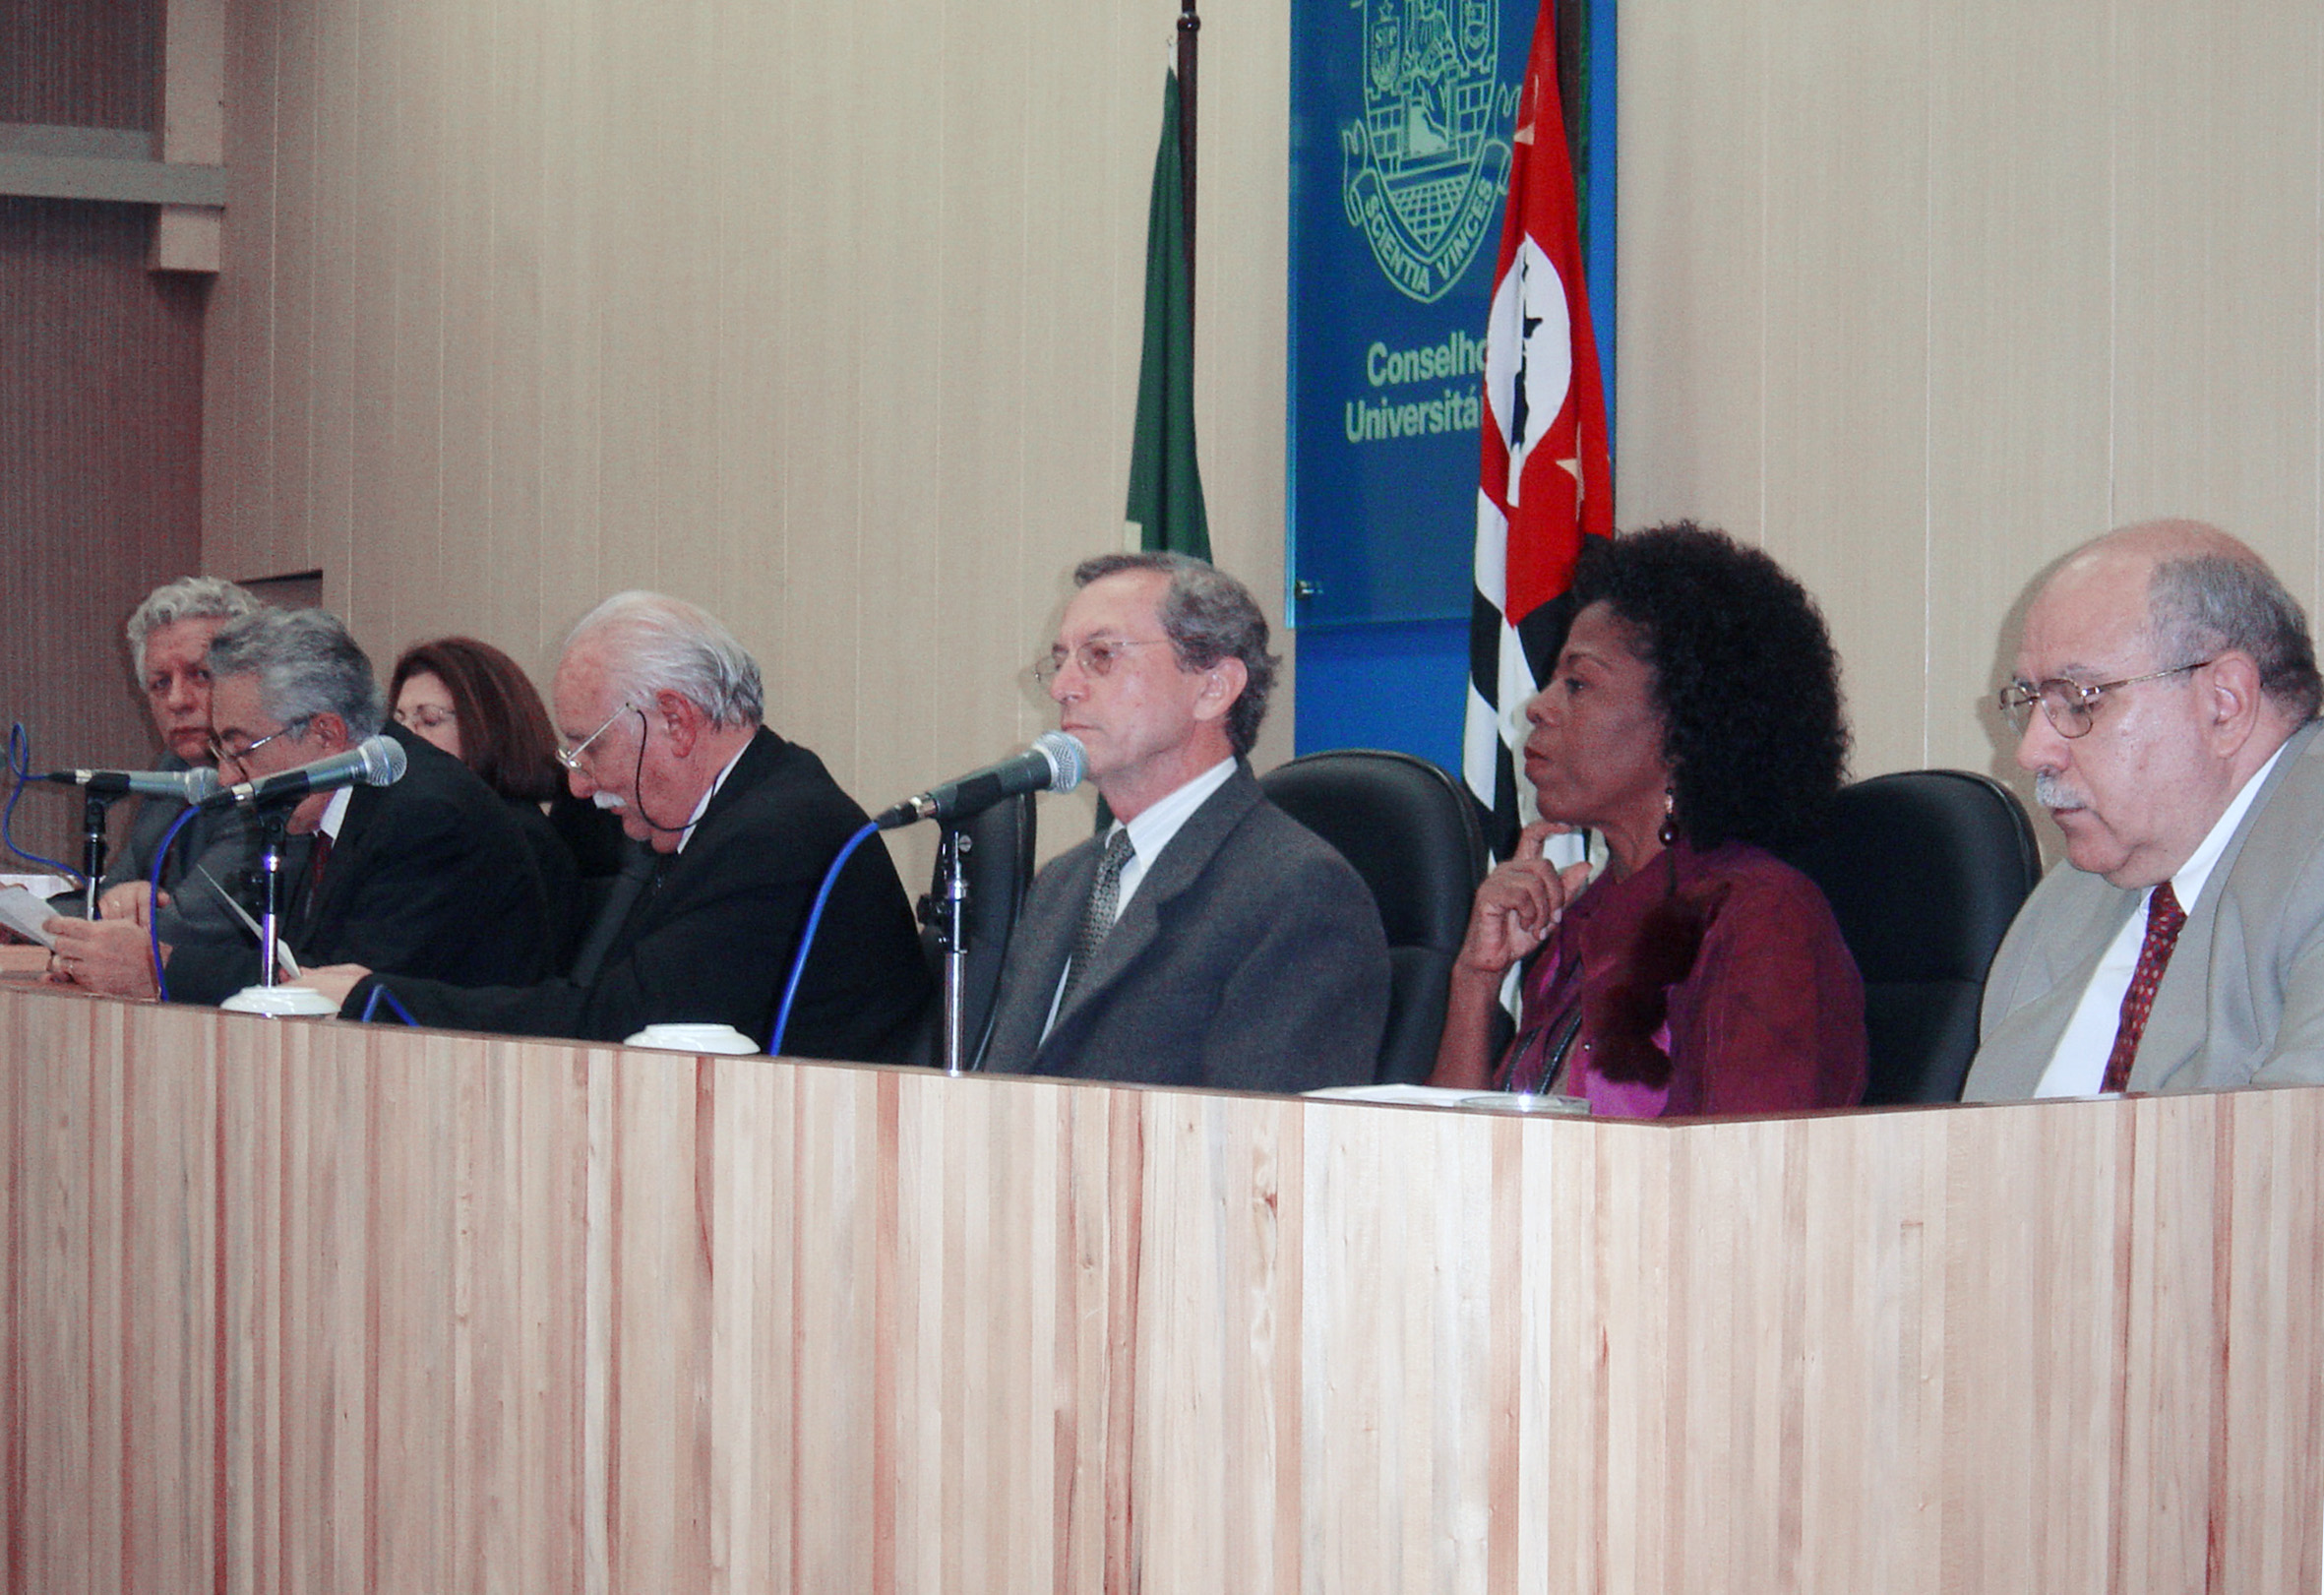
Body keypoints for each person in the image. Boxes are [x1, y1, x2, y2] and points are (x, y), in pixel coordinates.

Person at [301, 592, 933, 1062]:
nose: (577, 784)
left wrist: (374, 996)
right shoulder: (749, 809)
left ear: (677, 722)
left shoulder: (774, 835)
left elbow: (618, 1028)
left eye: (588, 747)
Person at [1427, 523, 1866, 1116]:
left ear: (1682, 723)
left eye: (1577, 684)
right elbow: (1437, 1162)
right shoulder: (1580, 916)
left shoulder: (1760, 918)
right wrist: (1476, 980)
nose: (1538, 707)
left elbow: (1751, 1183)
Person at [980, 552, 1390, 1092]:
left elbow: (1267, 1151)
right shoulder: (1062, 883)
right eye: (1061, 661)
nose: (1062, 688)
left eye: (1100, 655)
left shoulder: (1298, 892)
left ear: (1212, 688)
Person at [1965, 521, 2324, 1098]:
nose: (2032, 752)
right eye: (2032, 701)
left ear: (2225, 704)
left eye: (2080, 700)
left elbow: (2298, 1168)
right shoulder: (2067, 904)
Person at [46, 607, 553, 1004]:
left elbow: (336, 991)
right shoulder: (321, 806)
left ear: (326, 732)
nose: (225, 776)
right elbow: (285, 962)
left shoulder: (428, 817)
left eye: (240, 748)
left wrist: (160, 967)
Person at [49, 576, 289, 946]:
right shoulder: (174, 770)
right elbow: (111, 895)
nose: (177, 700)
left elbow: (191, 922)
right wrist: (20, 915)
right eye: (161, 682)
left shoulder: (267, 777)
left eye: (201, 675)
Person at [389, 636, 603, 963]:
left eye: (429, 720)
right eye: (398, 723)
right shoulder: (414, 831)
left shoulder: (519, 839)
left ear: (489, 725)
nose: (406, 741)